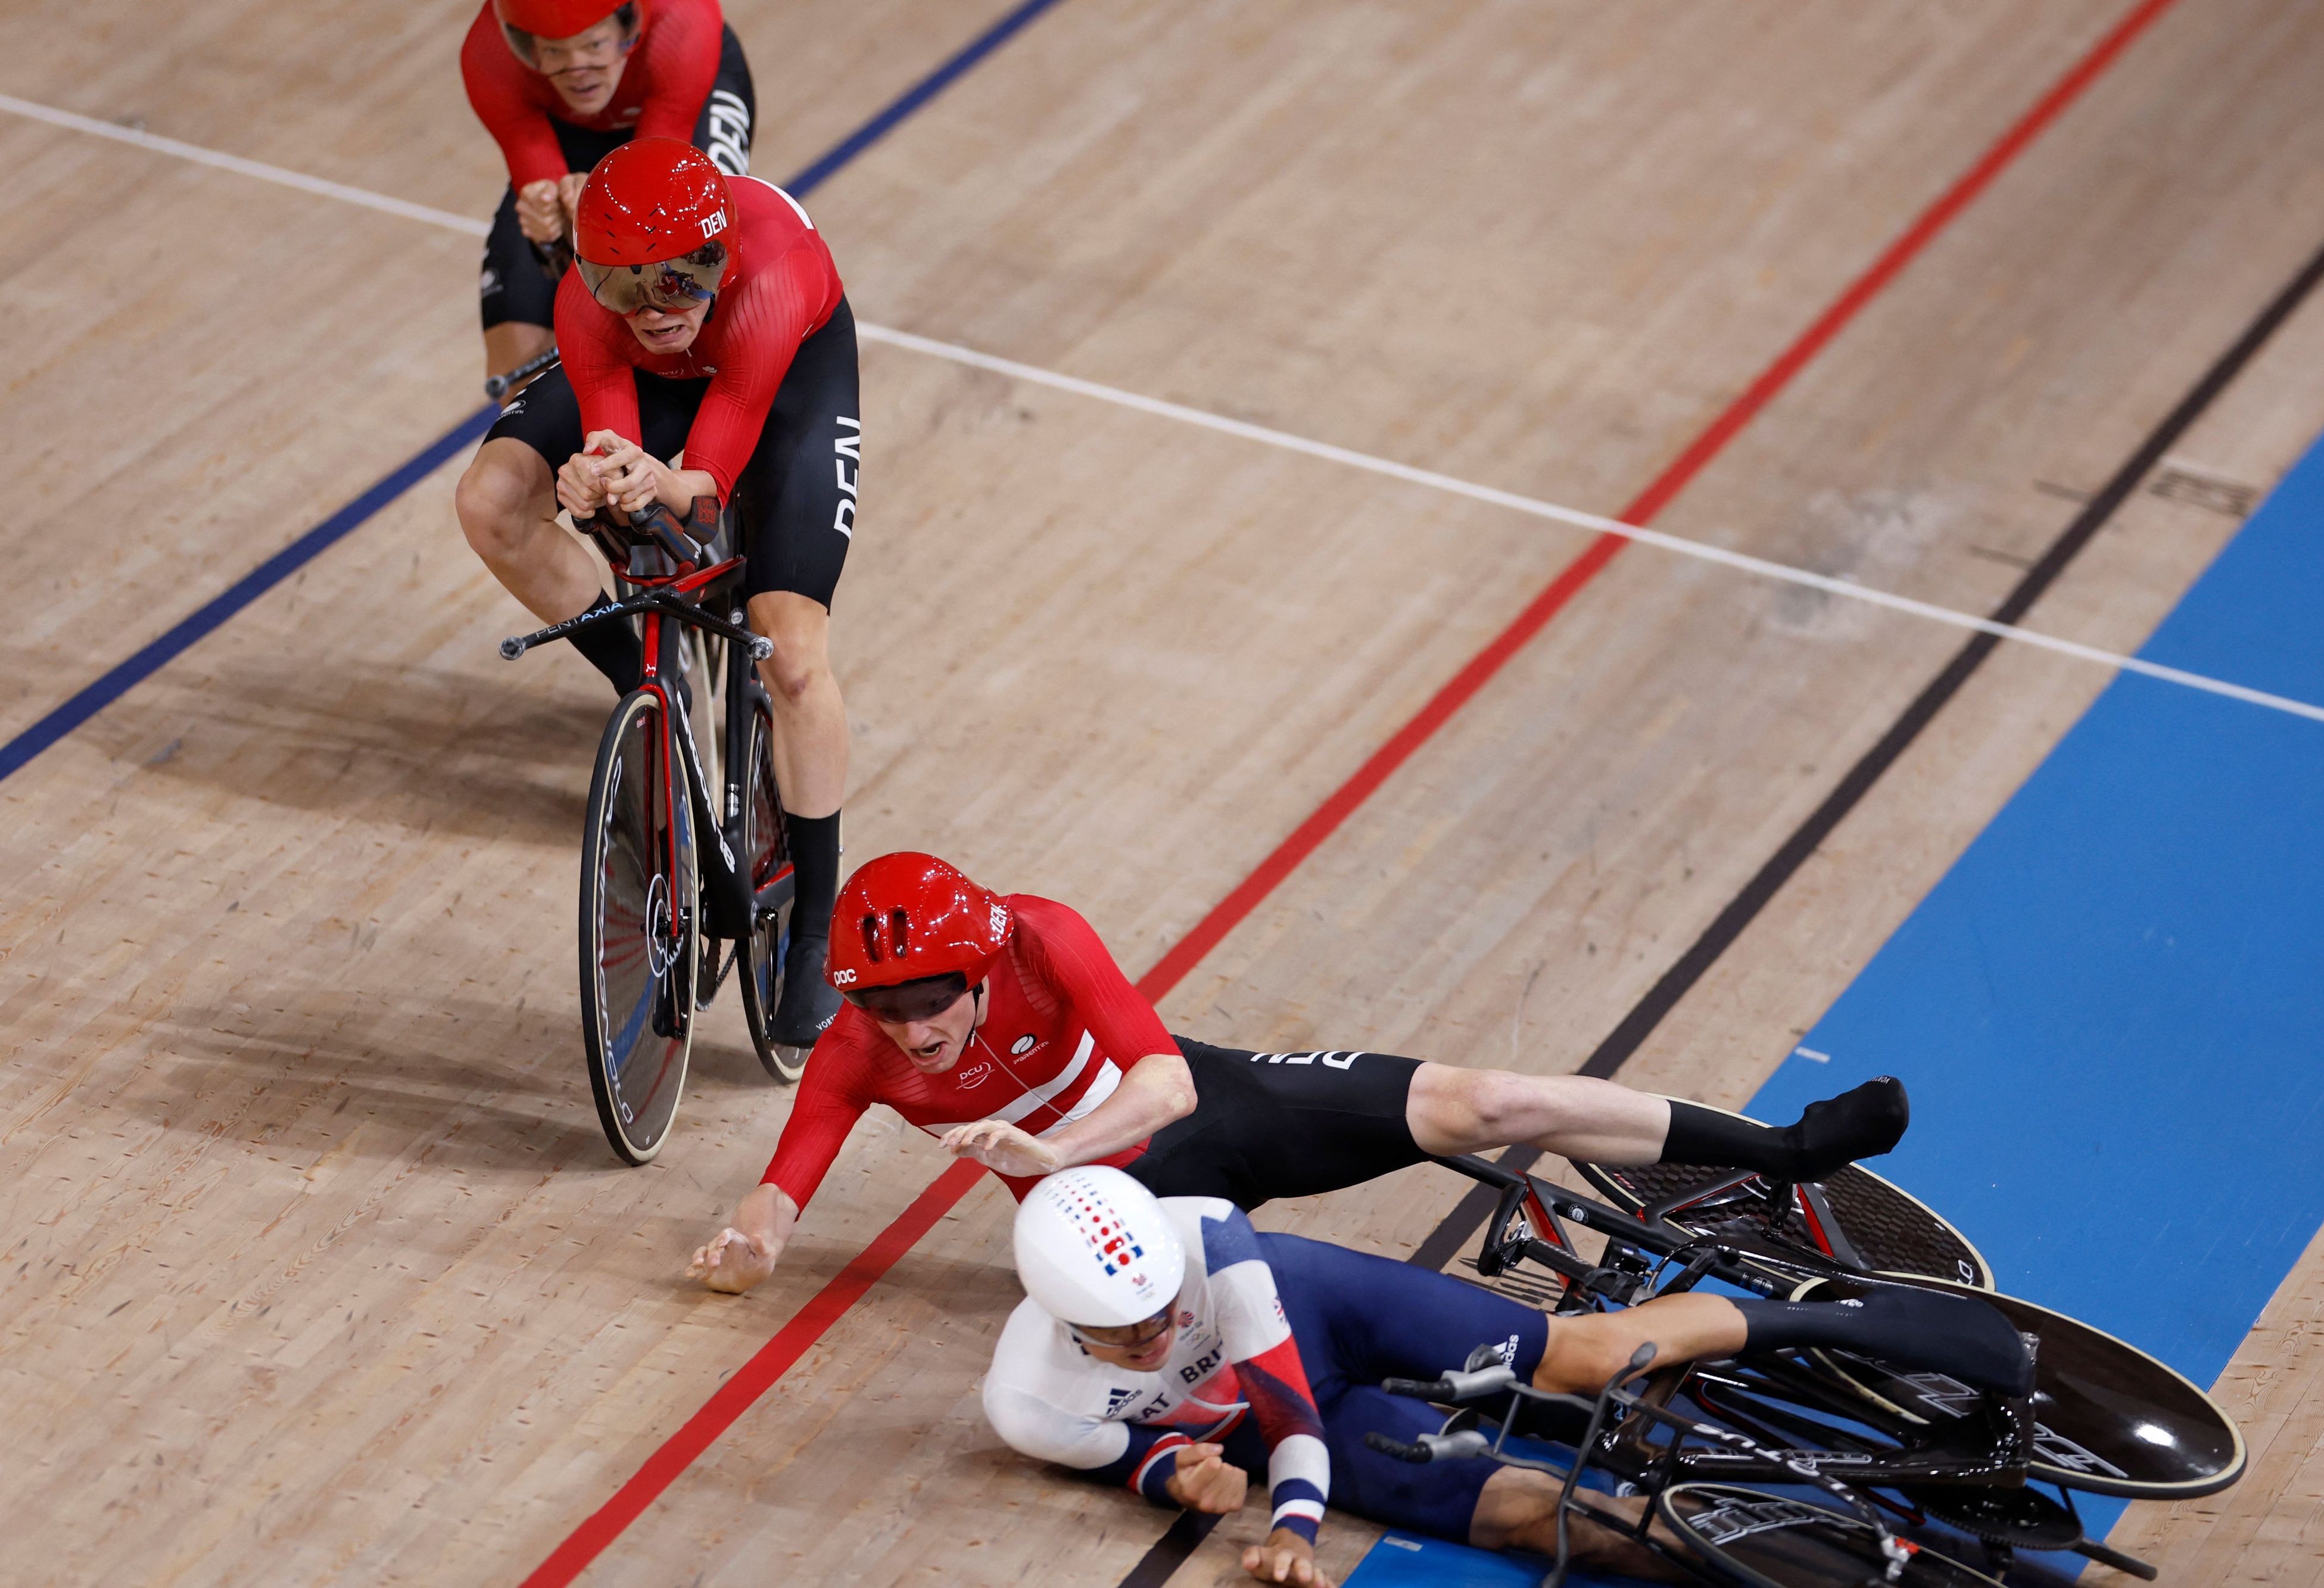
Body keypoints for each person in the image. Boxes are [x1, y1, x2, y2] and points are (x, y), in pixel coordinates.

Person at [685, 852, 1910, 1293]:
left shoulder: (1039, 931)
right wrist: (748, 1243)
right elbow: (781, 1188)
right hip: (1117, 1213)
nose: (910, 1027)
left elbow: (1163, 1087)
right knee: (1301, 1305)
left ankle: (1786, 1147)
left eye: (929, 999)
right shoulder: (857, 1055)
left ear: (977, 966)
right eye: (883, 1005)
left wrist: (1045, 1148)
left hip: (1202, 1110)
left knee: (1485, 1103)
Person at [983, 1168, 2034, 1587]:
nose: (1165, 1331)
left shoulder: (1205, 1234)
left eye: (1171, 1306)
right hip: (1283, 1417)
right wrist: (1182, 1482)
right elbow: (1148, 1458)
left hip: (1313, 1322)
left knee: (1585, 1354)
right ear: (1065, 1322)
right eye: (1130, 1335)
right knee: (1545, 1518)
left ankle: (1834, 1316)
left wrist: (1294, 1527)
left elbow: (1288, 1409)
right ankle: (1788, 1566)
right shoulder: (1028, 1403)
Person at [454, 139, 854, 1047]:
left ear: (721, 257)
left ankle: (818, 932)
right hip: (658, 386)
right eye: (627, 284)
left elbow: (710, 473)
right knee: (492, 499)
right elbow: (611, 438)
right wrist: (600, 479)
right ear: (593, 275)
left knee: (789, 655)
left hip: (782, 378)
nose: (656, 308)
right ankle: (649, 691)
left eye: (680, 279)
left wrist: (664, 486)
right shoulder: (595, 308)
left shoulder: (772, 275)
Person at [462, 0, 755, 395]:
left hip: (677, 110)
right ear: (523, 44)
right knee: (517, 373)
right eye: (553, 50)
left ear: (630, 26)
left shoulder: (682, 22)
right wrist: (551, 233)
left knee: (684, 296)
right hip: (572, 132)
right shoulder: (488, 54)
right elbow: (561, 248)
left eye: (594, 44)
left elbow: (656, 210)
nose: (577, 68)